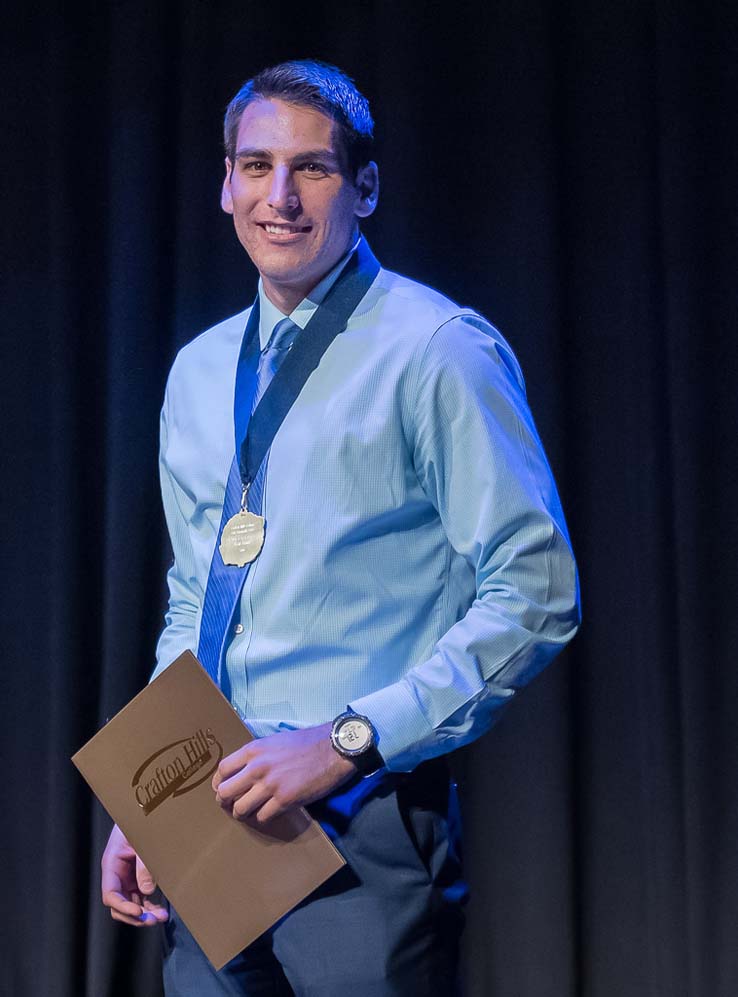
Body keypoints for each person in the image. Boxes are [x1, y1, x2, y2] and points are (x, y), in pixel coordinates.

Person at [100, 59, 580, 995]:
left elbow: (536, 592)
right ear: (224, 183)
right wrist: (146, 792)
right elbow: (196, 593)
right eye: (255, 165)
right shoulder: (198, 372)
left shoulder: (436, 350)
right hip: (209, 819)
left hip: (365, 820)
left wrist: (346, 740)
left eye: (311, 169)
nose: (279, 197)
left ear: (364, 188)